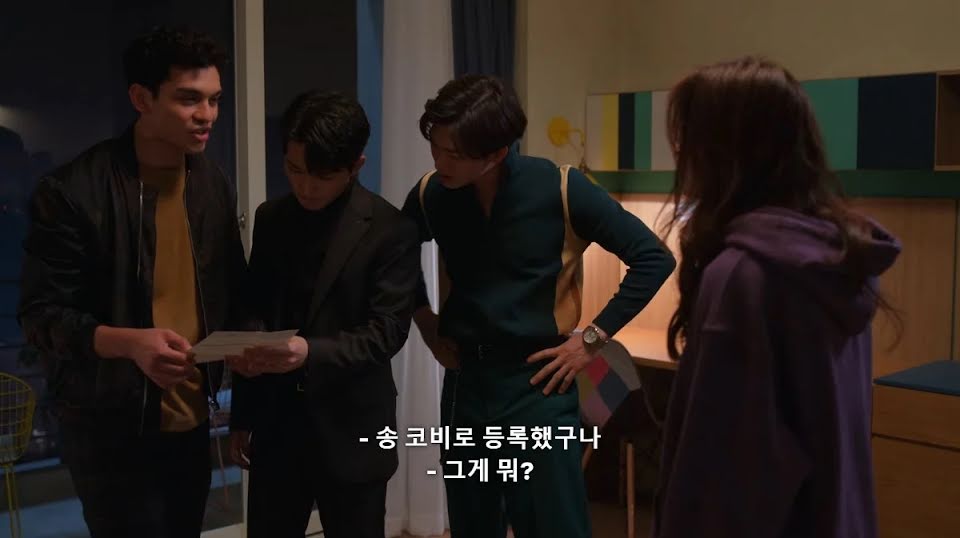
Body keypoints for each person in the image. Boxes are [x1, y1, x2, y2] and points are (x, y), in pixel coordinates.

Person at [401, 74, 676, 538]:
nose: (439, 161)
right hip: (466, 381)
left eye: (454, 153)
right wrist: (425, 320)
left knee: (553, 526)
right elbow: (394, 257)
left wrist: (590, 340)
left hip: (539, 383)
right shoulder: (433, 193)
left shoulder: (562, 188)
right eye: (435, 146)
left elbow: (653, 258)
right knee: (472, 524)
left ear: (496, 153)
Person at [652, 57, 902, 538]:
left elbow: (724, 478)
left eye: (689, 137)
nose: (679, 153)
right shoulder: (840, 260)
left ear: (726, 149)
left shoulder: (743, 276)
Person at [17, 27, 248, 538]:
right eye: (188, 99)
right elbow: (40, 316)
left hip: (190, 417)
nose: (207, 115)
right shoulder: (74, 191)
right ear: (142, 98)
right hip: (109, 426)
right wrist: (131, 343)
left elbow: (231, 289)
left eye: (214, 99)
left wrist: (247, 348)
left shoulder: (211, 184)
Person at [226, 90, 421, 538]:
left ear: (356, 165)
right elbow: (254, 308)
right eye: (295, 170)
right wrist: (244, 412)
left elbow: (387, 332)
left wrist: (307, 351)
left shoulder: (391, 230)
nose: (306, 187)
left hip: (352, 430)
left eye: (323, 175)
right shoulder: (272, 218)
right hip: (276, 426)